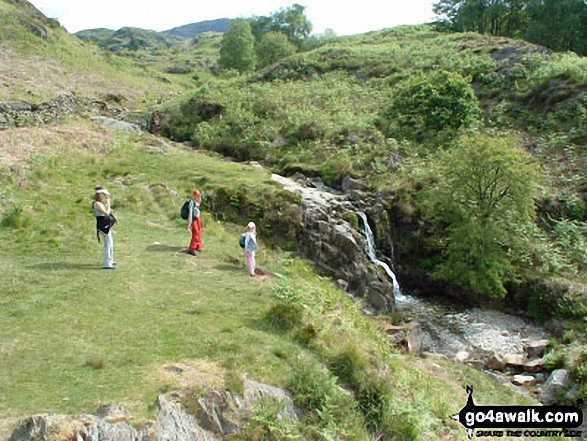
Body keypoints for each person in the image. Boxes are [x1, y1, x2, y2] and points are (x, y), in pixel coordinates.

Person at [92, 188, 115, 269]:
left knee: (110, 243)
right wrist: (108, 203)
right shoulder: (96, 204)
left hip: (105, 224)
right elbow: (106, 213)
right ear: (99, 194)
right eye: (104, 194)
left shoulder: (99, 203)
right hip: (102, 225)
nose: (105, 196)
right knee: (108, 244)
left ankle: (110, 260)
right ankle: (107, 263)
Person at [187, 189, 203, 256]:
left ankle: (197, 246)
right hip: (193, 220)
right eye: (196, 195)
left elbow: (199, 201)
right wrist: (190, 223)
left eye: (198, 195)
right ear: (193, 196)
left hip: (197, 219)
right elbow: (190, 213)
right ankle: (191, 248)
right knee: (195, 233)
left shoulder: (197, 202)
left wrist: (200, 196)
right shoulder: (192, 203)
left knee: (199, 232)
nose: (197, 197)